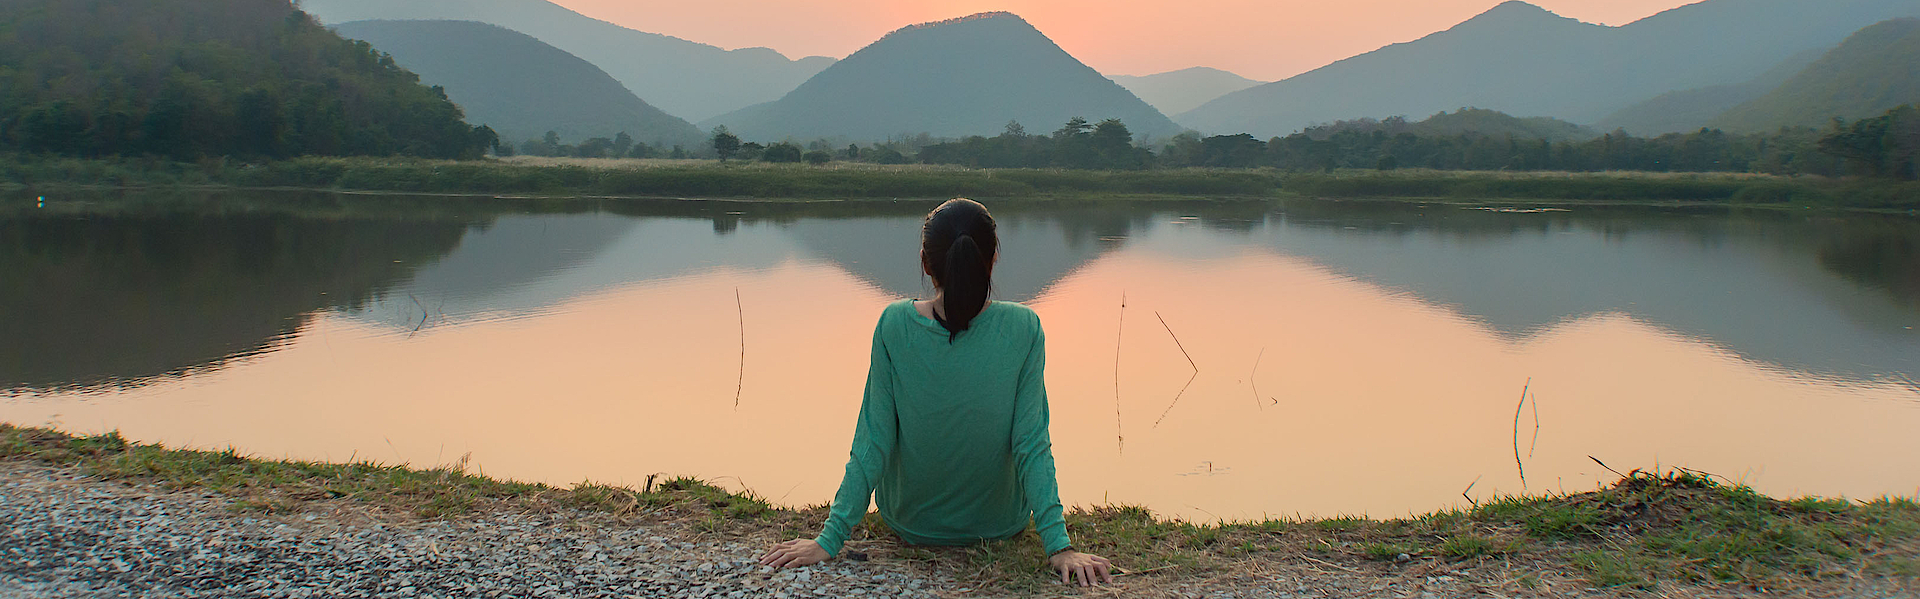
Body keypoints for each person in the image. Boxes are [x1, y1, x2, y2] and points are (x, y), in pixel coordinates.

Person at [758, 198, 1114, 587]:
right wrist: (1058, 546)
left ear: (926, 264)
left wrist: (829, 539)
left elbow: (873, 439)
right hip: (998, 524)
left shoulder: (894, 324)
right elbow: (1031, 442)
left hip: (910, 522)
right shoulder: (1024, 327)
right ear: (993, 259)